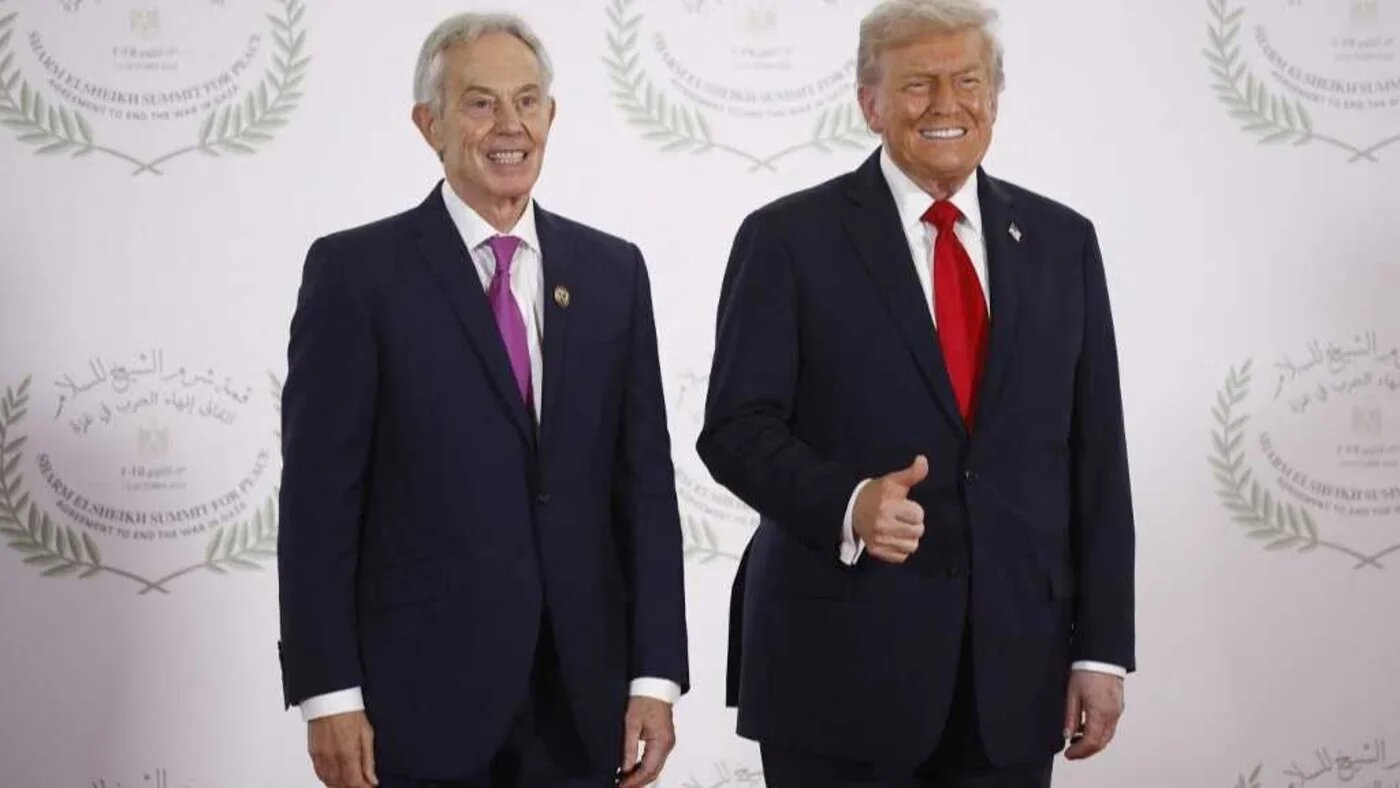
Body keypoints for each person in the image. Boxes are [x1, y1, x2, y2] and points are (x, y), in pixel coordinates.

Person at [697, 1, 1136, 785]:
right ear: (869, 103)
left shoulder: (1063, 244)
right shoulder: (788, 239)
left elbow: (1096, 458)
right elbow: (735, 428)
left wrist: (1100, 650)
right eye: (916, 85)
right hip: (836, 675)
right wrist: (850, 502)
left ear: (994, 97)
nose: (946, 105)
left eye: (967, 80)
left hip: (1012, 680)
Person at [276, 13, 688, 788]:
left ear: (552, 116)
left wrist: (654, 678)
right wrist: (327, 691)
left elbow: (645, 489)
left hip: (579, 701)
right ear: (428, 124)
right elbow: (317, 506)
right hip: (416, 703)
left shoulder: (611, 274)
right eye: (480, 103)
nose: (511, 126)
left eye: (529, 102)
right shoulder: (356, 275)